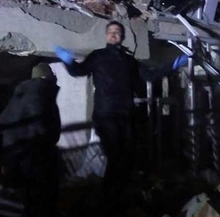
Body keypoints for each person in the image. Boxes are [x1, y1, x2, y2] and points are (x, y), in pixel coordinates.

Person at [55, 20, 188, 215]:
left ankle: (115, 200)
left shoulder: (129, 61)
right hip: (105, 115)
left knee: (126, 158)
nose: (113, 34)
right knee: (117, 159)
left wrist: (172, 67)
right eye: (110, 31)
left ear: (122, 36)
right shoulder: (98, 56)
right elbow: (78, 71)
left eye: (117, 31)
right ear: (106, 36)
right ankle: (107, 204)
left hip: (125, 115)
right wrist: (68, 62)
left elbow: (149, 76)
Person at [0, 62, 61, 217]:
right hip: (34, 157)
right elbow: (40, 125)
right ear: (46, 78)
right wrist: (48, 139)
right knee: (40, 200)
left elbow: (3, 120)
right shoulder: (39, 93)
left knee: (29, 199)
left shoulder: (21, 95)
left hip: (17, 156)